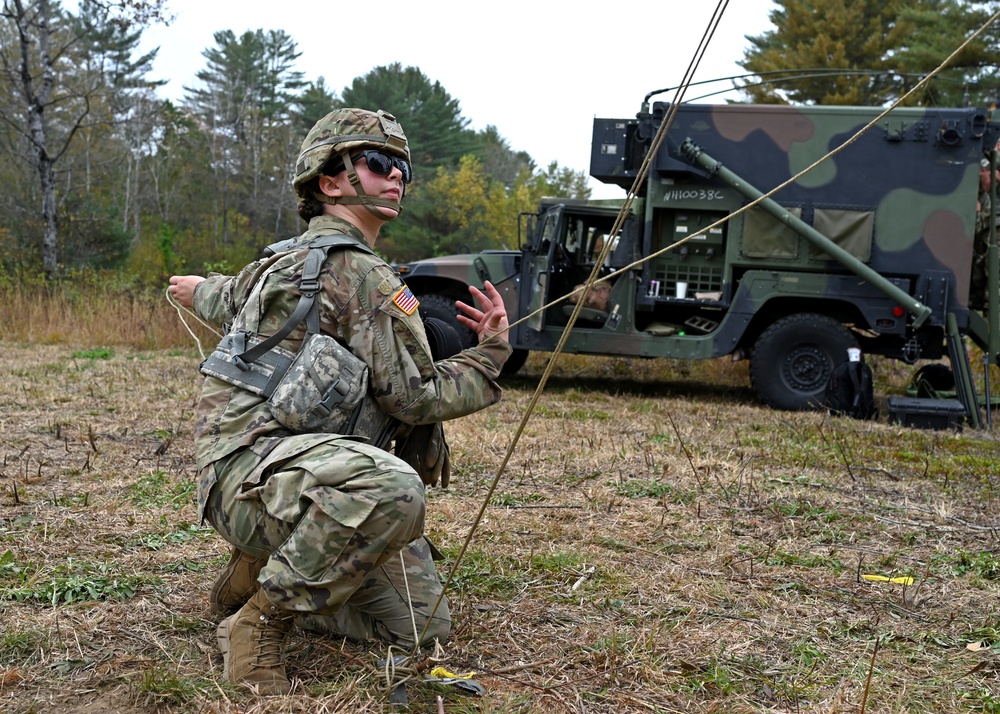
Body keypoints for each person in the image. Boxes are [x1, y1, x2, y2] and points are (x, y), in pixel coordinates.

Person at [167, 108, 511, 696]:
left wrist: (195, 289)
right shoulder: (364, 277)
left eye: (401, 166)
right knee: (395, 490)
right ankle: (259, 623)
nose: (396, 176)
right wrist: (492, 352)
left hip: (239, 481)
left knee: (419, 629)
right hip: (260, 480)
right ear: (330, 183)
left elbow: (230, 296)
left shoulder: (283, 260)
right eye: (377, 164)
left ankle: (259, 571)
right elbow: (417, 397)